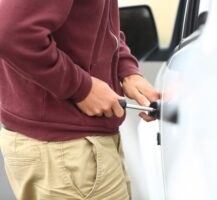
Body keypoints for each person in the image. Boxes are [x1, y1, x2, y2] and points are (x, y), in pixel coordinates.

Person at [0, 0, 160, 199]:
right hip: (68, 152)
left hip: (72, 150)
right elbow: (11, 32)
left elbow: (97, 23)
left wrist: (126, 69)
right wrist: (81, 88)